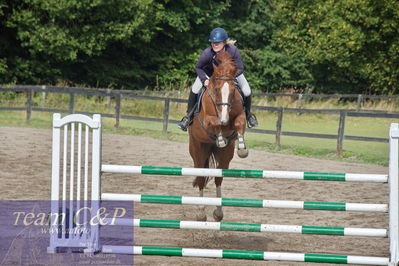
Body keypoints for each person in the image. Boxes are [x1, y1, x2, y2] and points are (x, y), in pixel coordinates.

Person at [178, 27, 258, 131]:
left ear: (224, 42)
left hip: (231, 75)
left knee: (247, 91)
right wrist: (204, 79)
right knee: (195, 89)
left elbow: (240, 67)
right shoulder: (207, 53)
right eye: (213, 42)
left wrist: (230, 77)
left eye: (218, 42)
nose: (215, 44)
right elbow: (198, 67)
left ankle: (249, 116)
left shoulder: (233, 50)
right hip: (209, 74)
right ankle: (188, 117)